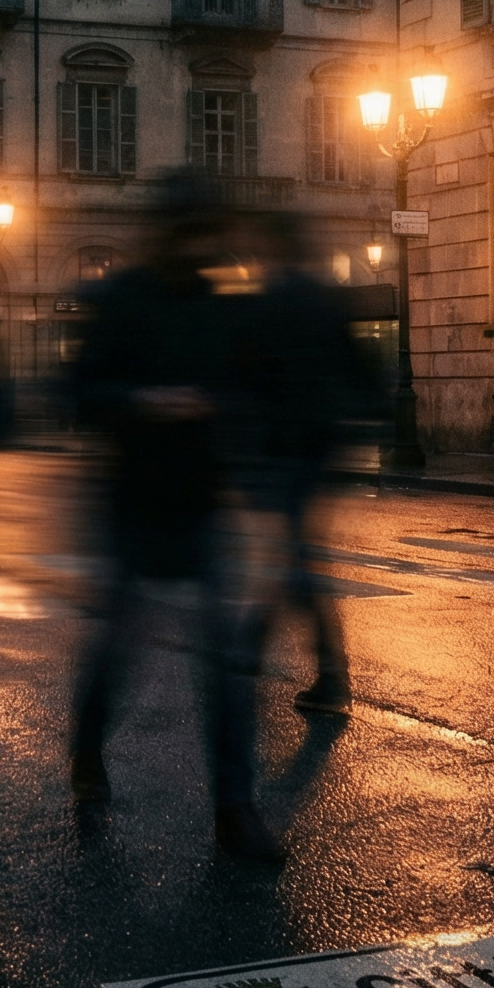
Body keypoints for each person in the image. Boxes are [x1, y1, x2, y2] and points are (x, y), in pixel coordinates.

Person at [69, 172, 282, 862]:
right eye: (194, 232)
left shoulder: (224, 304)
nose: (204, 245)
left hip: (202, 500)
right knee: (119, 650)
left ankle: (234, 807)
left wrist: (232, 426)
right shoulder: (124, 299)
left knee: (224, 662)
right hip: (135, 501)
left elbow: (247, 388)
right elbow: (78, 392)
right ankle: (87, 747)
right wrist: (146, 401)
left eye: (209, 233)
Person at [233, 211, 364, 716]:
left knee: (296, 559)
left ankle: (325, 673)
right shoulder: (323, 299)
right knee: (294, 555)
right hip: (318, 446)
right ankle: (259, 648)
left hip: (284, 447)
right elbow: (356, 371)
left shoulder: (268, 300)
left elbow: (249, 380)